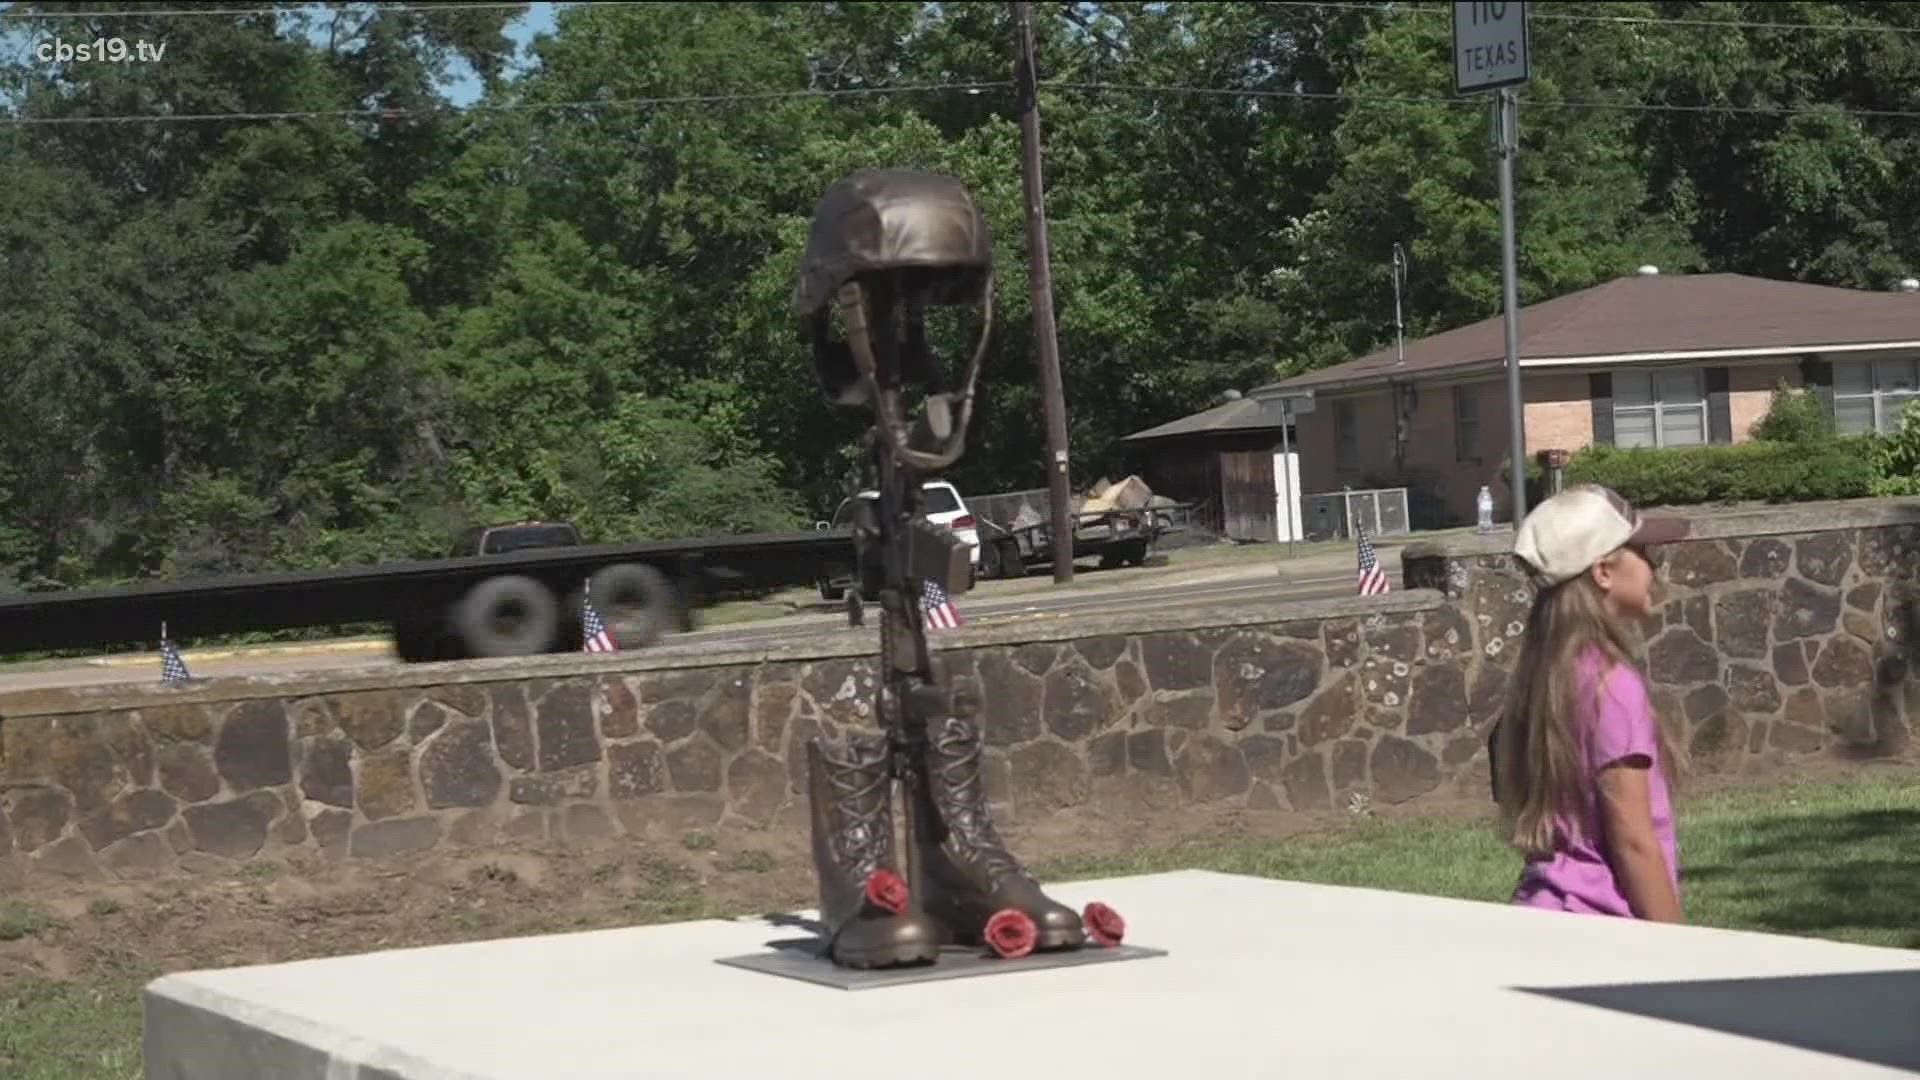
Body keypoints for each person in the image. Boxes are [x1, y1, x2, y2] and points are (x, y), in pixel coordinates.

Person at [1490, 484, 1690, 922]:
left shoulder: (1550, 672)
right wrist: (1681, 951)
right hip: (1604, 929)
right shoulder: (1613, 686)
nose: (1654, 565)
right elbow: (1634, 842)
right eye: (1642, 551)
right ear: (1603, 571)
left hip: (1545, 911)